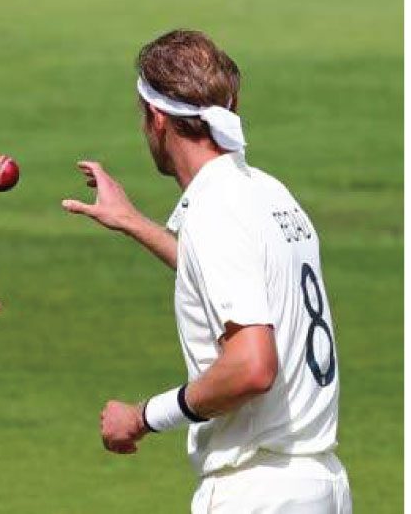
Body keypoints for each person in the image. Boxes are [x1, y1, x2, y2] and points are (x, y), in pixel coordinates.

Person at [62, 30, 351, 513]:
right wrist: (134, 222)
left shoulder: (216, 209)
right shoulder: (265, 190)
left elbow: (252, 367)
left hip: (259, 491)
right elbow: (230, 282)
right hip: (319, 484)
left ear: (157, 118)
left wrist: (143, 416)